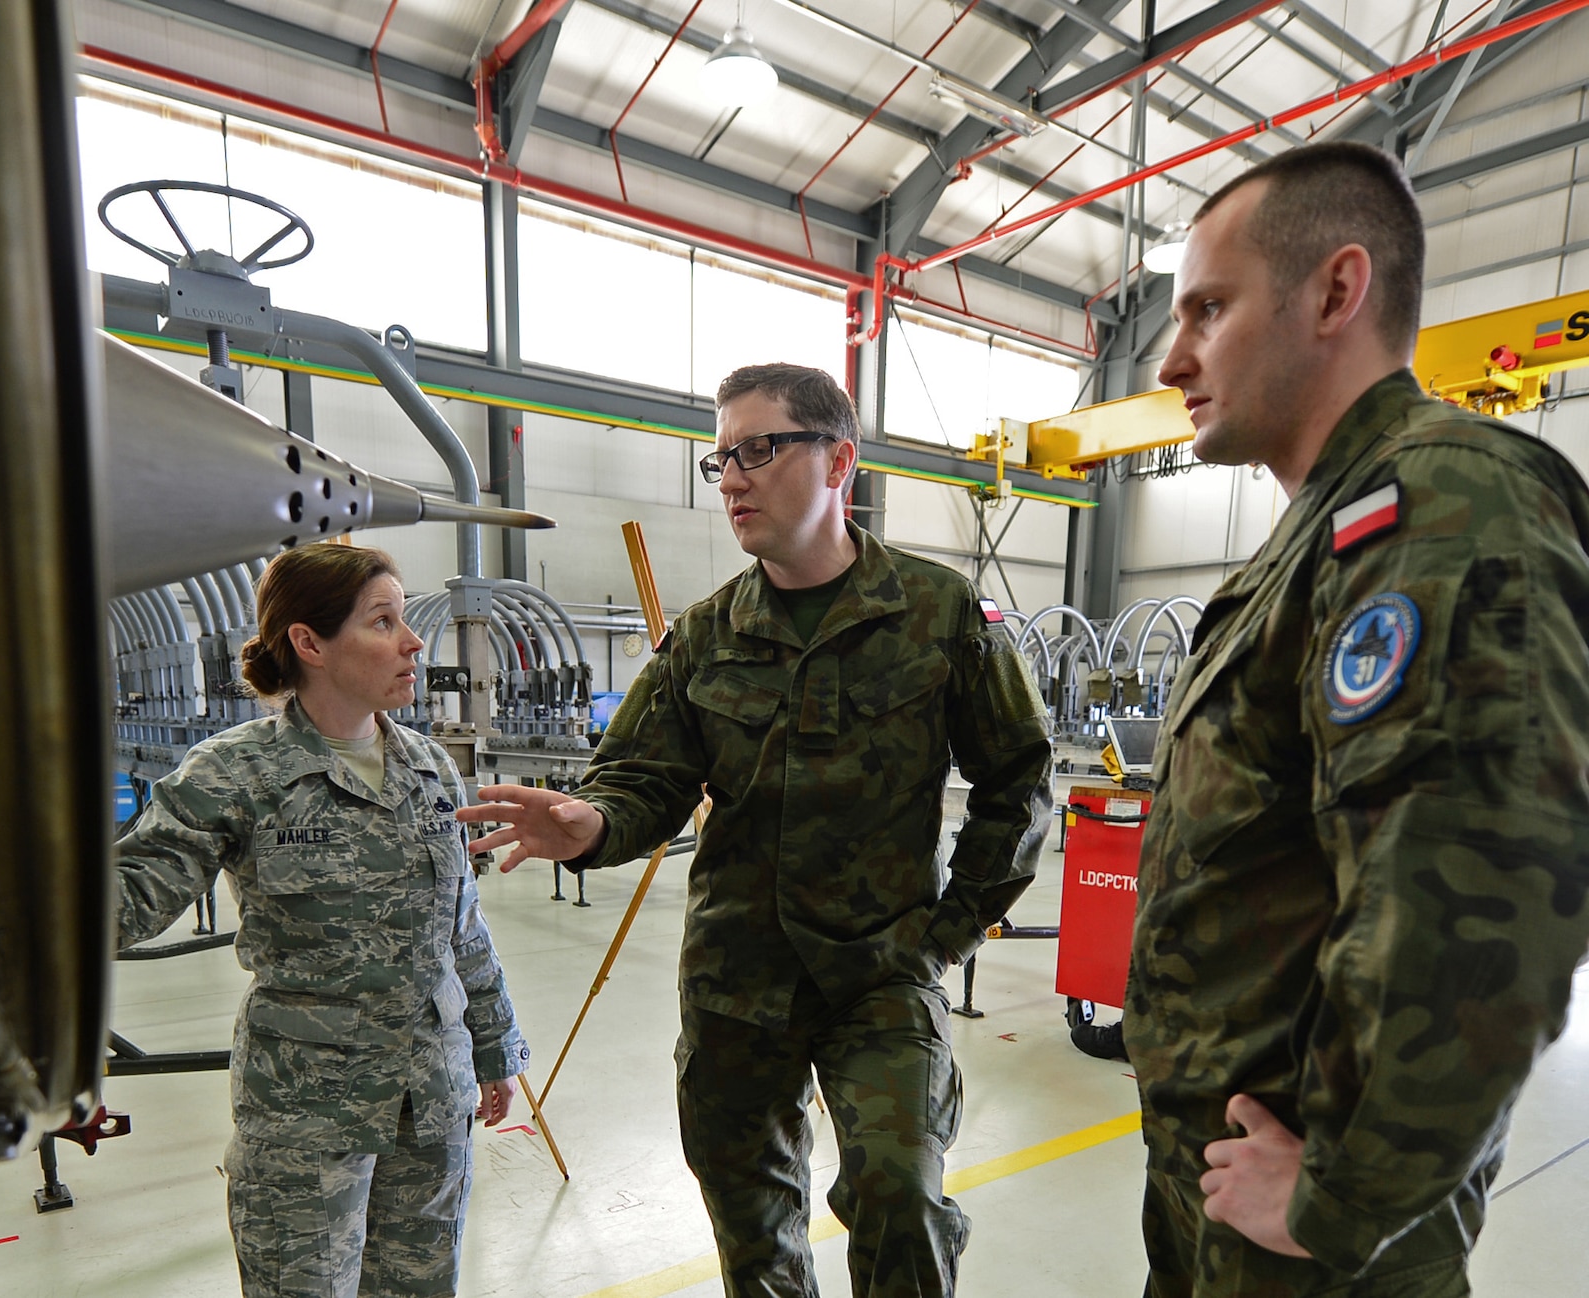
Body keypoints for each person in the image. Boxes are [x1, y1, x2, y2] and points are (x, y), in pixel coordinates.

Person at [458, 363, 1054, 1297]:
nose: (732, 477)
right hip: (738, 982)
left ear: (838, 463)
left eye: (759, 450)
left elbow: (1018, 780)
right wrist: (590, 821)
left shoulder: (940, 616)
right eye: (722, 457)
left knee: (902, 1194)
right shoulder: (704, 637)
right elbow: (640, 781)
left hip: (879, 973)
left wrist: (951, 930)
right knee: (753, 1229)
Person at [1128, 140, 1589, 1297]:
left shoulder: (1439, 504)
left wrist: (1344, 1197)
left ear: (1335, 291)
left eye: (1207, 308)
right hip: (1218, 1184)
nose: (1170, 355)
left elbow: (1483, 893)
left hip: (1314, 1248)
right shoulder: (1319, 534)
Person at [113, 543, 529, 1298]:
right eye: (383, 622)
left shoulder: (429, 766)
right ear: (309, 643)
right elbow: (132, 893)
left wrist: (495, 1047)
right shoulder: (234, 773)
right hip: (307, 1117)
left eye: (406, 619)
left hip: (430, 1102)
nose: (413, 642)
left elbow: (461, 926)